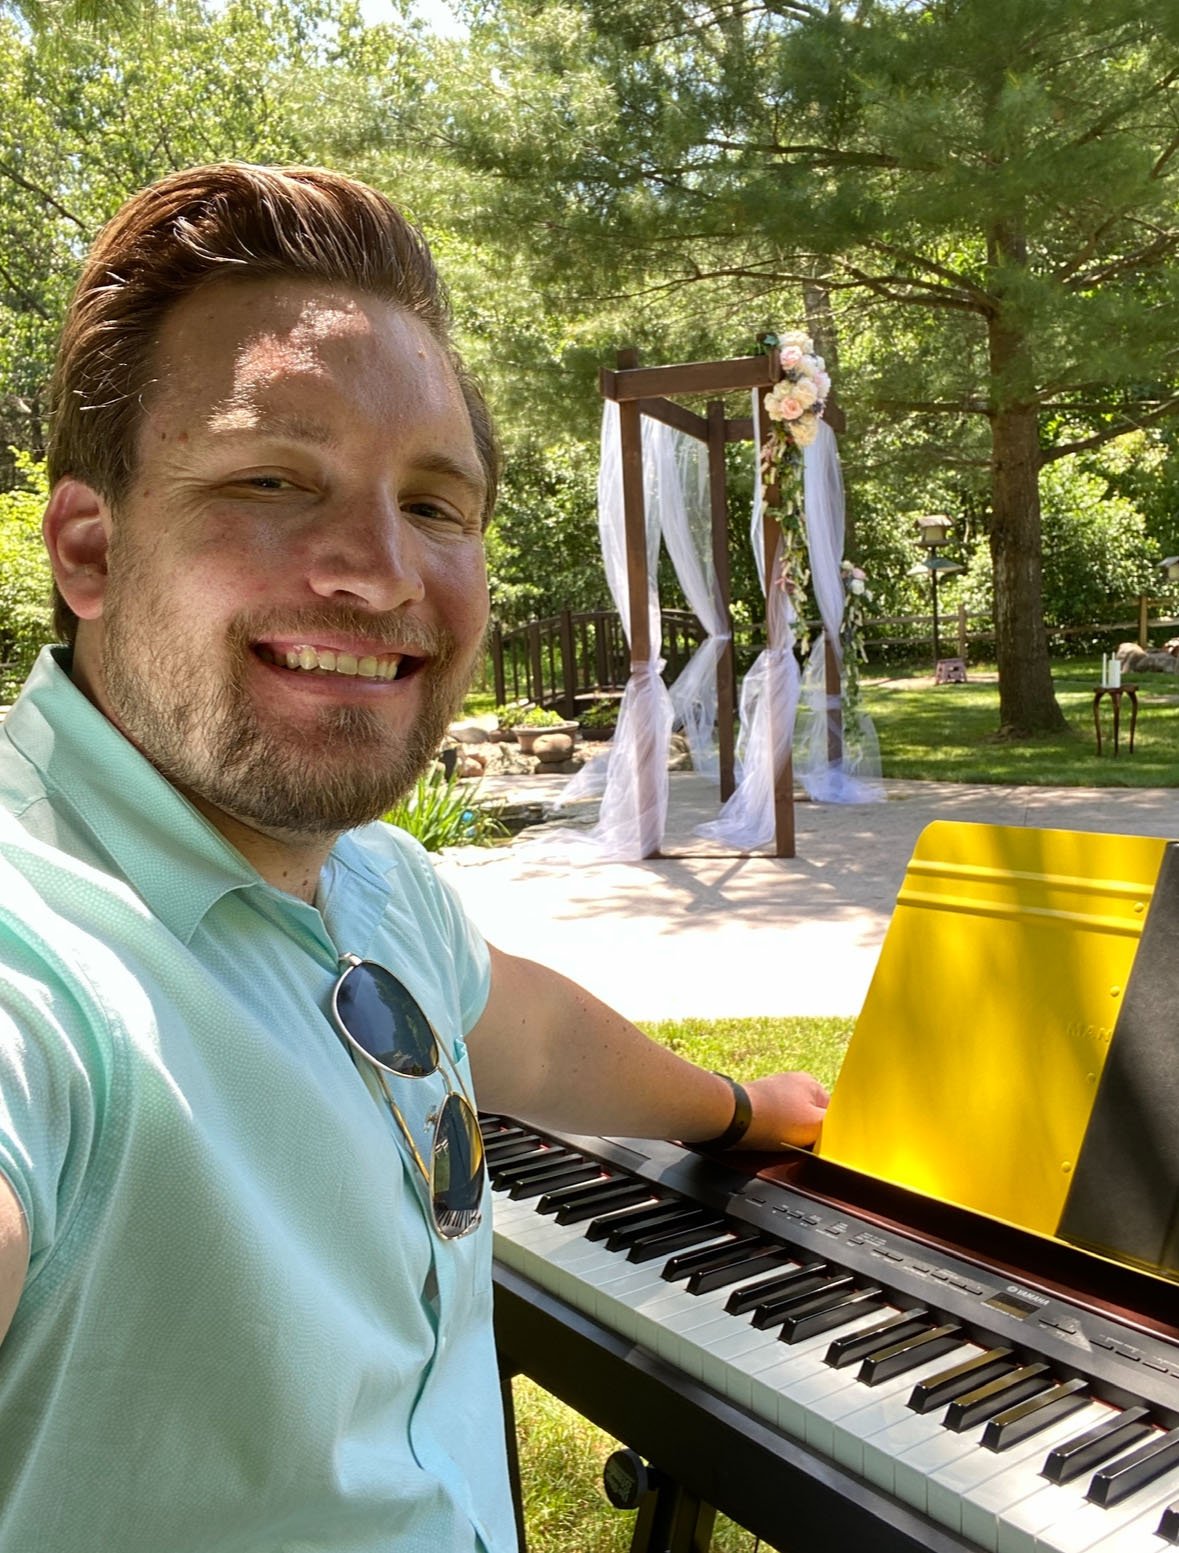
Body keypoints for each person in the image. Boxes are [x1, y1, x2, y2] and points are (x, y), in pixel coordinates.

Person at [0, 162, 828, 1552]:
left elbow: (535, 1035)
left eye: (436, 503)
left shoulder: (373, 879)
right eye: (274, 479)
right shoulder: (43, 950)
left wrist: (740, 1110)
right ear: (90, 548)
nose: (380, 572)